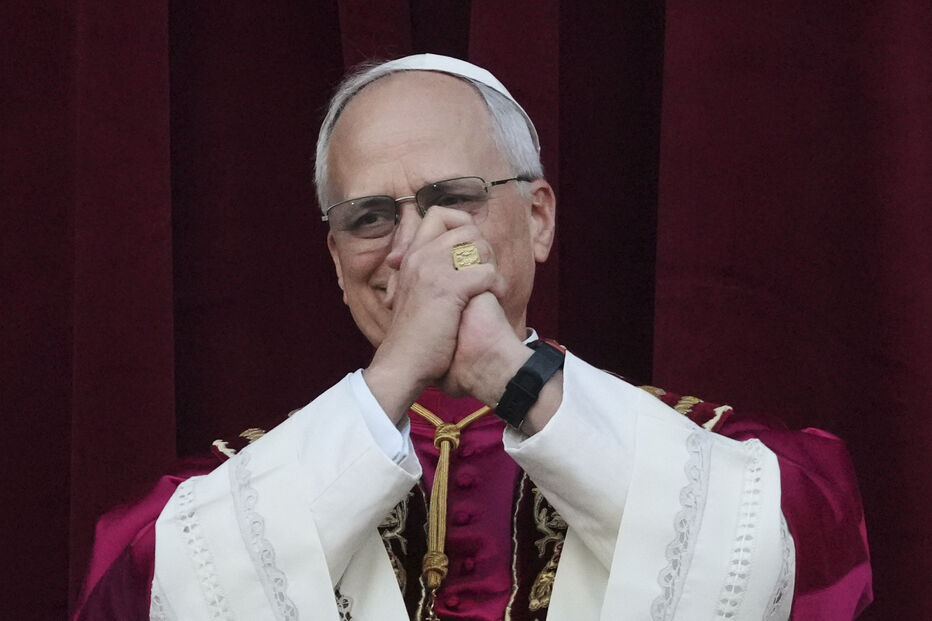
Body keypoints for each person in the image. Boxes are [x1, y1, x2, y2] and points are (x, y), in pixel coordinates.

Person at [74, 54, 872, 621]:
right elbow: (145, 585)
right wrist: (394, 378)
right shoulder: (226, 490)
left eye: (451, 198)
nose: (415, 251)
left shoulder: (711, 449)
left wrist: (509, 370)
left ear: (539, 219)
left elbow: (797, 548)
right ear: (336, 260)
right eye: (370, 218)